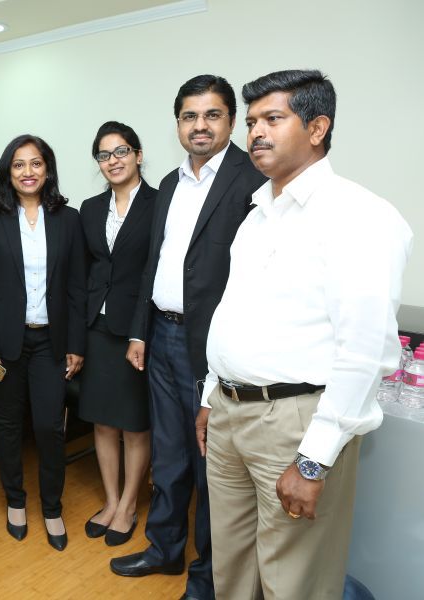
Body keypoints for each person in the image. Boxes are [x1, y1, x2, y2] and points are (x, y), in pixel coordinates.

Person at [196, 69, 412, 600]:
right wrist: (210, 396)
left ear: (317, 128)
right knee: (231, 570)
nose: (256, 133)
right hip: (228, 414)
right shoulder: (257, 216)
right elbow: (234, 313)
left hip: (294, 423)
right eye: (251, 122)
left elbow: (365, 352)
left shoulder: (359, 216)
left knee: (293, 582)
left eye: (272, 119)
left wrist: (314, 459)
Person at [112, 75, 266, 600]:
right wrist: (139, 331)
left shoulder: (253, 179)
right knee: (170, 454)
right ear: (177, 123)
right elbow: (154, 262)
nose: (200, 126)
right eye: (189, 116)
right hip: (160, 336)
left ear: (230, 121)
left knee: (211, 469)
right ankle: (164, 549)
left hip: (214, 345)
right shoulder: (171, 183)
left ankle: (207, 580)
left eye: (212, 115)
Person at [0, 134, 86, 551]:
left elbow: (77, 287)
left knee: (49, 427)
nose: (28, 172)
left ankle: (52, 507)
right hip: (6, 346)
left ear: (48, 169)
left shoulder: (68, 219)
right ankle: (15, 501)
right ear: (8, 172)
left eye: (36, 163)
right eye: (18, 165)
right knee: (6, 426)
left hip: (51, 343)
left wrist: (76, 344)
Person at [78, 122, 155, 546]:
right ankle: (110, 501)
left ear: (138, 155)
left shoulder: (159, 204)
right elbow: (85, 271)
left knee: (134, 424)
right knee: (103, 420)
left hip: (136, 332)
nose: (113, 160)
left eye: (121, 151)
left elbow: (154, 273)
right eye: (104, 155)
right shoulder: (90, 208)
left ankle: (128, 505)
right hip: (97, 327)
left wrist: (140, 332)